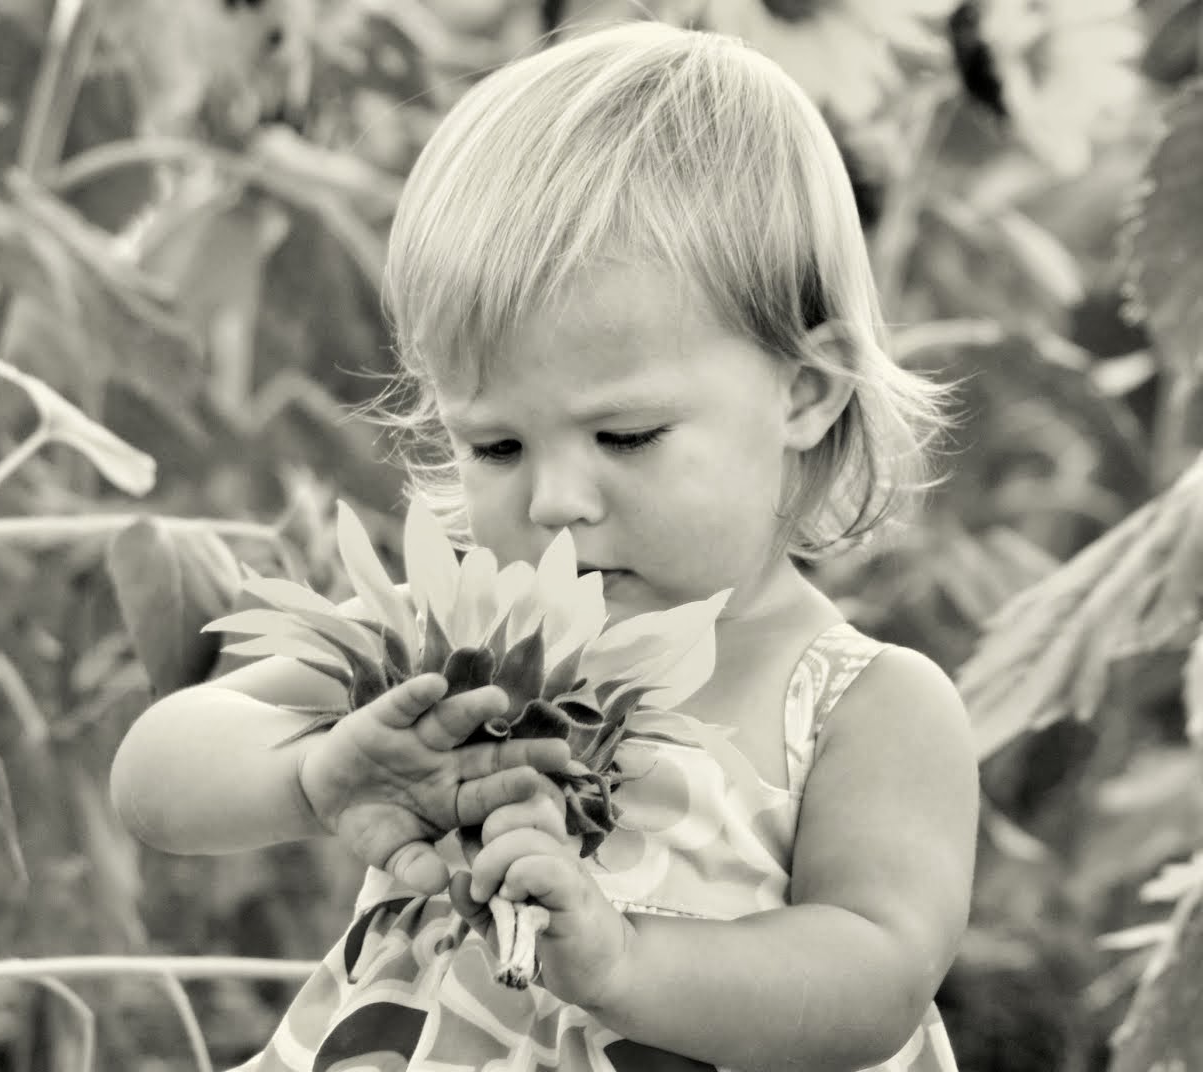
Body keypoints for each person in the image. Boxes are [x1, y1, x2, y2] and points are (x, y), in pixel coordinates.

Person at [111, 20, 978, 1072]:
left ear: (804, 390)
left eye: (625, 436)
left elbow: (874, 976)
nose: (558, 499)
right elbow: (155, 778)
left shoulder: (861, 706)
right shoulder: (462, 648)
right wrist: (315, 778)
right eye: (497, 443)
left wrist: (623, 964)